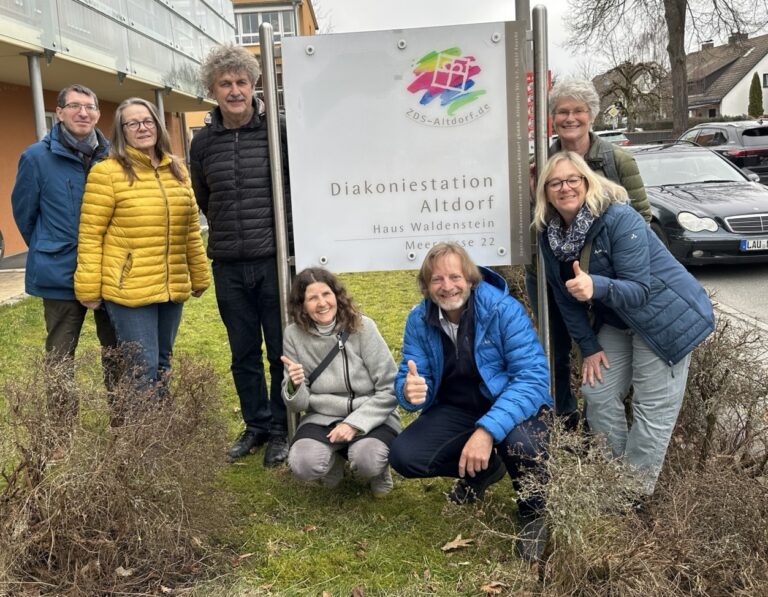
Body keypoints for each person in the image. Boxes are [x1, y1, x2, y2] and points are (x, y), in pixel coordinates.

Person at [534, 151, 714, 496]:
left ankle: (631, 494)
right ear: (545, 192)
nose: (565, 187)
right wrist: (589, 346)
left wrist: (594, 286)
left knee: (651, 408)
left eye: (573, 179)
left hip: (665, 318)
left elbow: (640, 290)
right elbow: (562, 297)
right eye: (555, 182)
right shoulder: (549, 234)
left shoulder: (618, 218)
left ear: (587, 181)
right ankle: (614, 477)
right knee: (597, 392)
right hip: (618, 322)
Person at [388, 242, 552, 560]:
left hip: (514, 405)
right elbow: (411, 372)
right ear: (426, 286)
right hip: (458, 407)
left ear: (471, 278)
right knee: (404, 456)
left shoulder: (503, 310)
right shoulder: (419, 320)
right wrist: (408, 392)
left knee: (523, 444)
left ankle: (534, 513)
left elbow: (532, 378)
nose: (447, 286)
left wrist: (487, 431)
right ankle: (485, 470)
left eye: (455, 276)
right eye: (437, 279)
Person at [527, 79, 652, 426]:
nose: (570, 118)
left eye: (578, 110)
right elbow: (532, 219)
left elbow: (641, 219)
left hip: (603, 277)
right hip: (551, 274)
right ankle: (564, 419)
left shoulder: (617, 161)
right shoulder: (539, 163)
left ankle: (598, 419)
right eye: (562, 111)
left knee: (599, 347)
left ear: (592, 115)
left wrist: (607, 263)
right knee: (553, 347)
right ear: (552, 117)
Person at [190, 44, 291, 466]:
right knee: (243, 351)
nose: (234, 90)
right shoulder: (202, 143)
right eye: (225, 83)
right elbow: (203, 195)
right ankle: (257, 424)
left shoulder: (278, 131)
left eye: (241, 82)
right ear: (213, 90)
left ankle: (283, 428)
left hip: (274, 260)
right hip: (229, 263)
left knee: (280, 350)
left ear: (255, 85)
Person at [75, 98, 210, 399]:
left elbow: (190, 229)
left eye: (148, 121)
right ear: (122, 131)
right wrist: (88, 288)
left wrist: (199, 275)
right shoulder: (106, 173)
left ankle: (165, 435)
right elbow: (90, 234)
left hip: (171, 285)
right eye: (133, 123)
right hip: (129, 290)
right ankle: (144, 442)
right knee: (142, 368)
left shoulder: (176, 170)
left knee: (163, 364)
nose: (142, 128)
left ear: (158, 126)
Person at [11, 84, 118, 419]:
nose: (83, 113)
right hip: (60, 274)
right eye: (74, 106)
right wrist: (51, 247)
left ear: (98, 114)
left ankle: (124, 421)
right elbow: (25, 214)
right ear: (59, 112)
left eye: (90, 107)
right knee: (60, 354)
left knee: (117, 350)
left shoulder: (114, 155)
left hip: (107, 271)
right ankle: (60, 428)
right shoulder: (36, 158)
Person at [280, 268, 401, 497]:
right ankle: (333, 457)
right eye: (312, 298)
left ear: (337, 296)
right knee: (303, 464)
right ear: (301, 305)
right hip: (322, 416)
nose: (322, 303)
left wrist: (354, 424)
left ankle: (378, 470)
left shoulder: (363, 327)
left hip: (370, 412)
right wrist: (294, 385)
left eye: (326, 294)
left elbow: (390, 388)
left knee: (368, 460)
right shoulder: (293, 335)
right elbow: (298, 405)